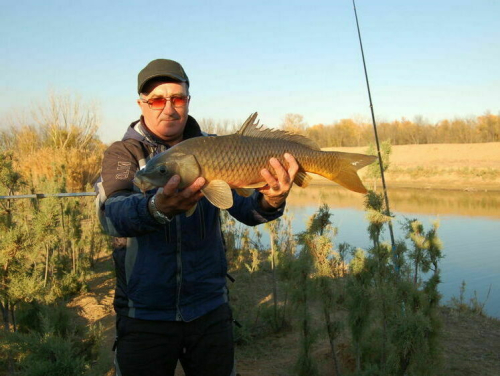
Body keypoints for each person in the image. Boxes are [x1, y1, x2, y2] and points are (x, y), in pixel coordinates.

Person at [95, 58, 298, 376]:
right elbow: (112, 217)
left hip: (208, 308)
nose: (168, 108)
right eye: (158, 100)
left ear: (188, 100)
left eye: (177, 98)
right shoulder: (125, 154)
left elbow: (249, 212)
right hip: (143, 313)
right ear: (141, 104)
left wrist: (272, 199)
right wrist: (157, 209)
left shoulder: (217, 147)